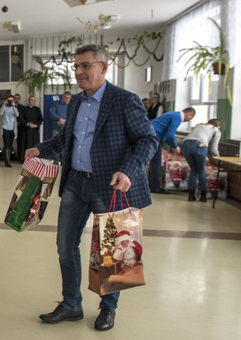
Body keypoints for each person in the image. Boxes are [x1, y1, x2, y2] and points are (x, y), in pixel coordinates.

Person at [25, 44, 158, 332]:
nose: (79, 72)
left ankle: (108, 308)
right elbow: (65, 141)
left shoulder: (124, 100)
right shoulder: (76, 102)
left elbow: (147, 140)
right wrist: (40, 148)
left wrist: (128, 170)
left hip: (110, 187)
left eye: (85, 65)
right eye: (76, 66)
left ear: (104, 67)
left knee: (114, 251)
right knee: (64, 245)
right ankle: (71, 303)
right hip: (75, 183)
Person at [148, 107, 196, 194]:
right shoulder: (177, 117)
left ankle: (152, 185)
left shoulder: (174, 114)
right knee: (156, 162)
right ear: (188, 114)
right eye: (190, 118)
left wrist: (173, 145)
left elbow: (166, 134)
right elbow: (170, 134)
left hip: (153, 135)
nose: (189, 120)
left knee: (154, 162)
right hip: (153, 136)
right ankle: (154, 187)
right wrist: (174, 146)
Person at [181, 118, 221, 201]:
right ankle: (203, 196)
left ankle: (191, 196)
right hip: (200, 145)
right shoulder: (216, 130)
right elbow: (214, 149)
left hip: (186, 144)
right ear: (217, 125)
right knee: (201, 170)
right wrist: (218, 160)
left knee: (193, 170)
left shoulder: (199, 125)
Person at [17, 96, 43, 161]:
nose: (33, 102)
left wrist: (36, 125)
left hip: (34, 131)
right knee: (25, 144)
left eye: (34, 100)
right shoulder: (23, 109)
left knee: (34, 144)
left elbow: (40, 119)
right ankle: (24, 159)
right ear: (29, 100)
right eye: (32, 100)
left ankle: (34, 159)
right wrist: (28, 124)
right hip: (25, 130)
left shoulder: (37, 109)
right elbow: (20, 119)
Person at [0, 94, 19, 167]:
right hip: (5, 128)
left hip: (12, 129)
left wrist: (14, 107)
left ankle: (8, 160)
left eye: (11, 100)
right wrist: (4, 105)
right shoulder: (4, 107)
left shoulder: (14, 108)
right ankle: (7, 161)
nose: (10, 102)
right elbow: (0, 113)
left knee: (10, 145)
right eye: (9, 100)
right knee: (6, 144)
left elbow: (17, 115)